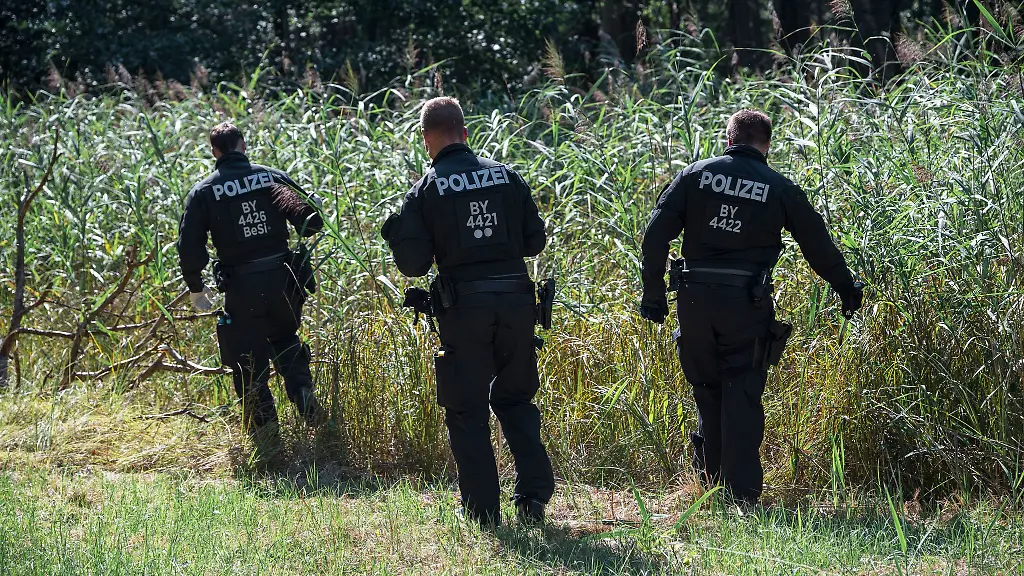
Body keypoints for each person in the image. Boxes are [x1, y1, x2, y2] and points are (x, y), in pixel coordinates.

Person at [639, 109, 863, 504]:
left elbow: (655, 237)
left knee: (707, 390)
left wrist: (654, 294)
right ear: (767, 145)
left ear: (728, 140)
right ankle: (740, 496)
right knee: (740, 393)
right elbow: (817, 244)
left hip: (694, 300)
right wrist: (845, 286)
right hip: (745, 302)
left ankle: (708, 485)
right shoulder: (777, 186)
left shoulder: (694, 175)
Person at [381, 97, 554, 526]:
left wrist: (396, 235)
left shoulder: (426, 188)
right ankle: (533, 498)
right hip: (517, 303)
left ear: (426, 140)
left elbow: (413, 266)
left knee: (467, 409)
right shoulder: (506, 176)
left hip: (464, 310)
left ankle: (482, 511)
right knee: (515, 399)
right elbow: (535, 242)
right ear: (464, 131)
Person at [177, 122, 326, 450]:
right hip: (284, 280)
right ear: (243, 145)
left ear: (215, 152)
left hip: (242, 287)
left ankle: (268, 441)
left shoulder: (204, 191)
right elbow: (311, 221)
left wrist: (196, 288)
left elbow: (190, 246)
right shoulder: (271, 177)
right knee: (286, 338)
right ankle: (303, 395)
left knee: (247, 359)